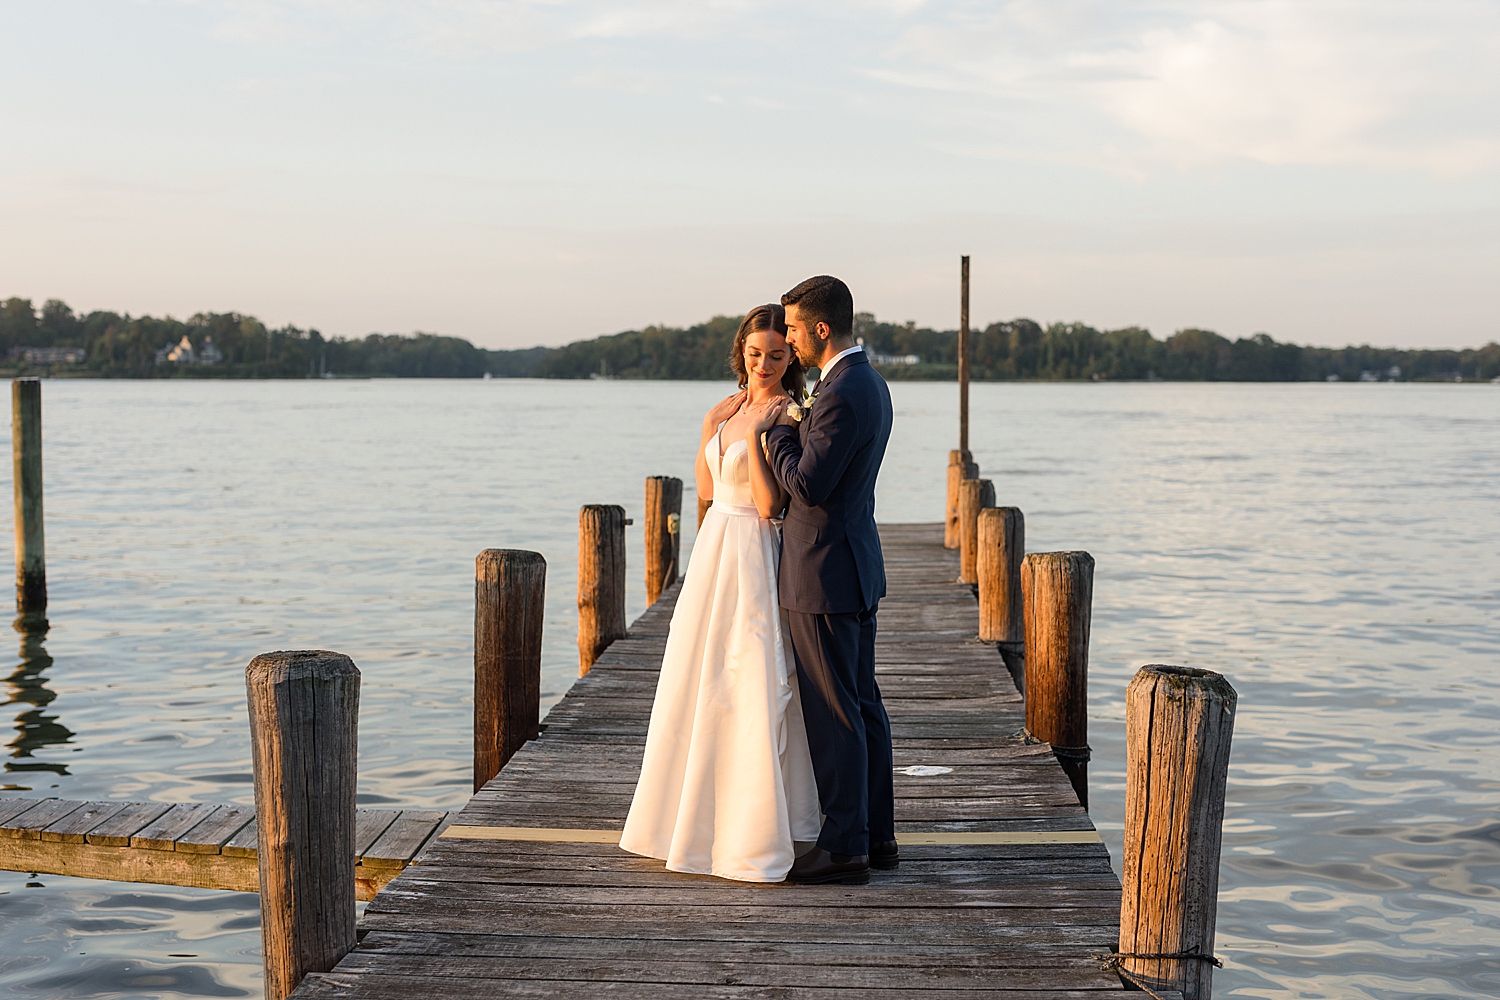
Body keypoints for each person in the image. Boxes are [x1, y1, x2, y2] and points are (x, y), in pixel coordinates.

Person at [618, 303, 821, 882]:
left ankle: (753, 827)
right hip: (714, 548)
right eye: (755, 354)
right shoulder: (727, 407)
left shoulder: (786, 412)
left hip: (754, 546)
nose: (764, 364)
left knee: (751, 676)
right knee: (697, 673)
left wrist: (757, 439)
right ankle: (684, 819)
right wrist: (713, 426)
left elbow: (768, 504)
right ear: (742, 354)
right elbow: (706, 487)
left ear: (791, 360)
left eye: (777, 355)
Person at [751, 275, 895, 886]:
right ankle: (876, 836)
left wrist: (778, 434)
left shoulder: (839, 391)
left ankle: (843, 847)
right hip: (851, 562)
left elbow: (807, 484)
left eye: (791, 328)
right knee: (863, 707)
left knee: (836, 710)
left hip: (823, 570)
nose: (786, 337)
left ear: (820, 329)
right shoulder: (867, 382)